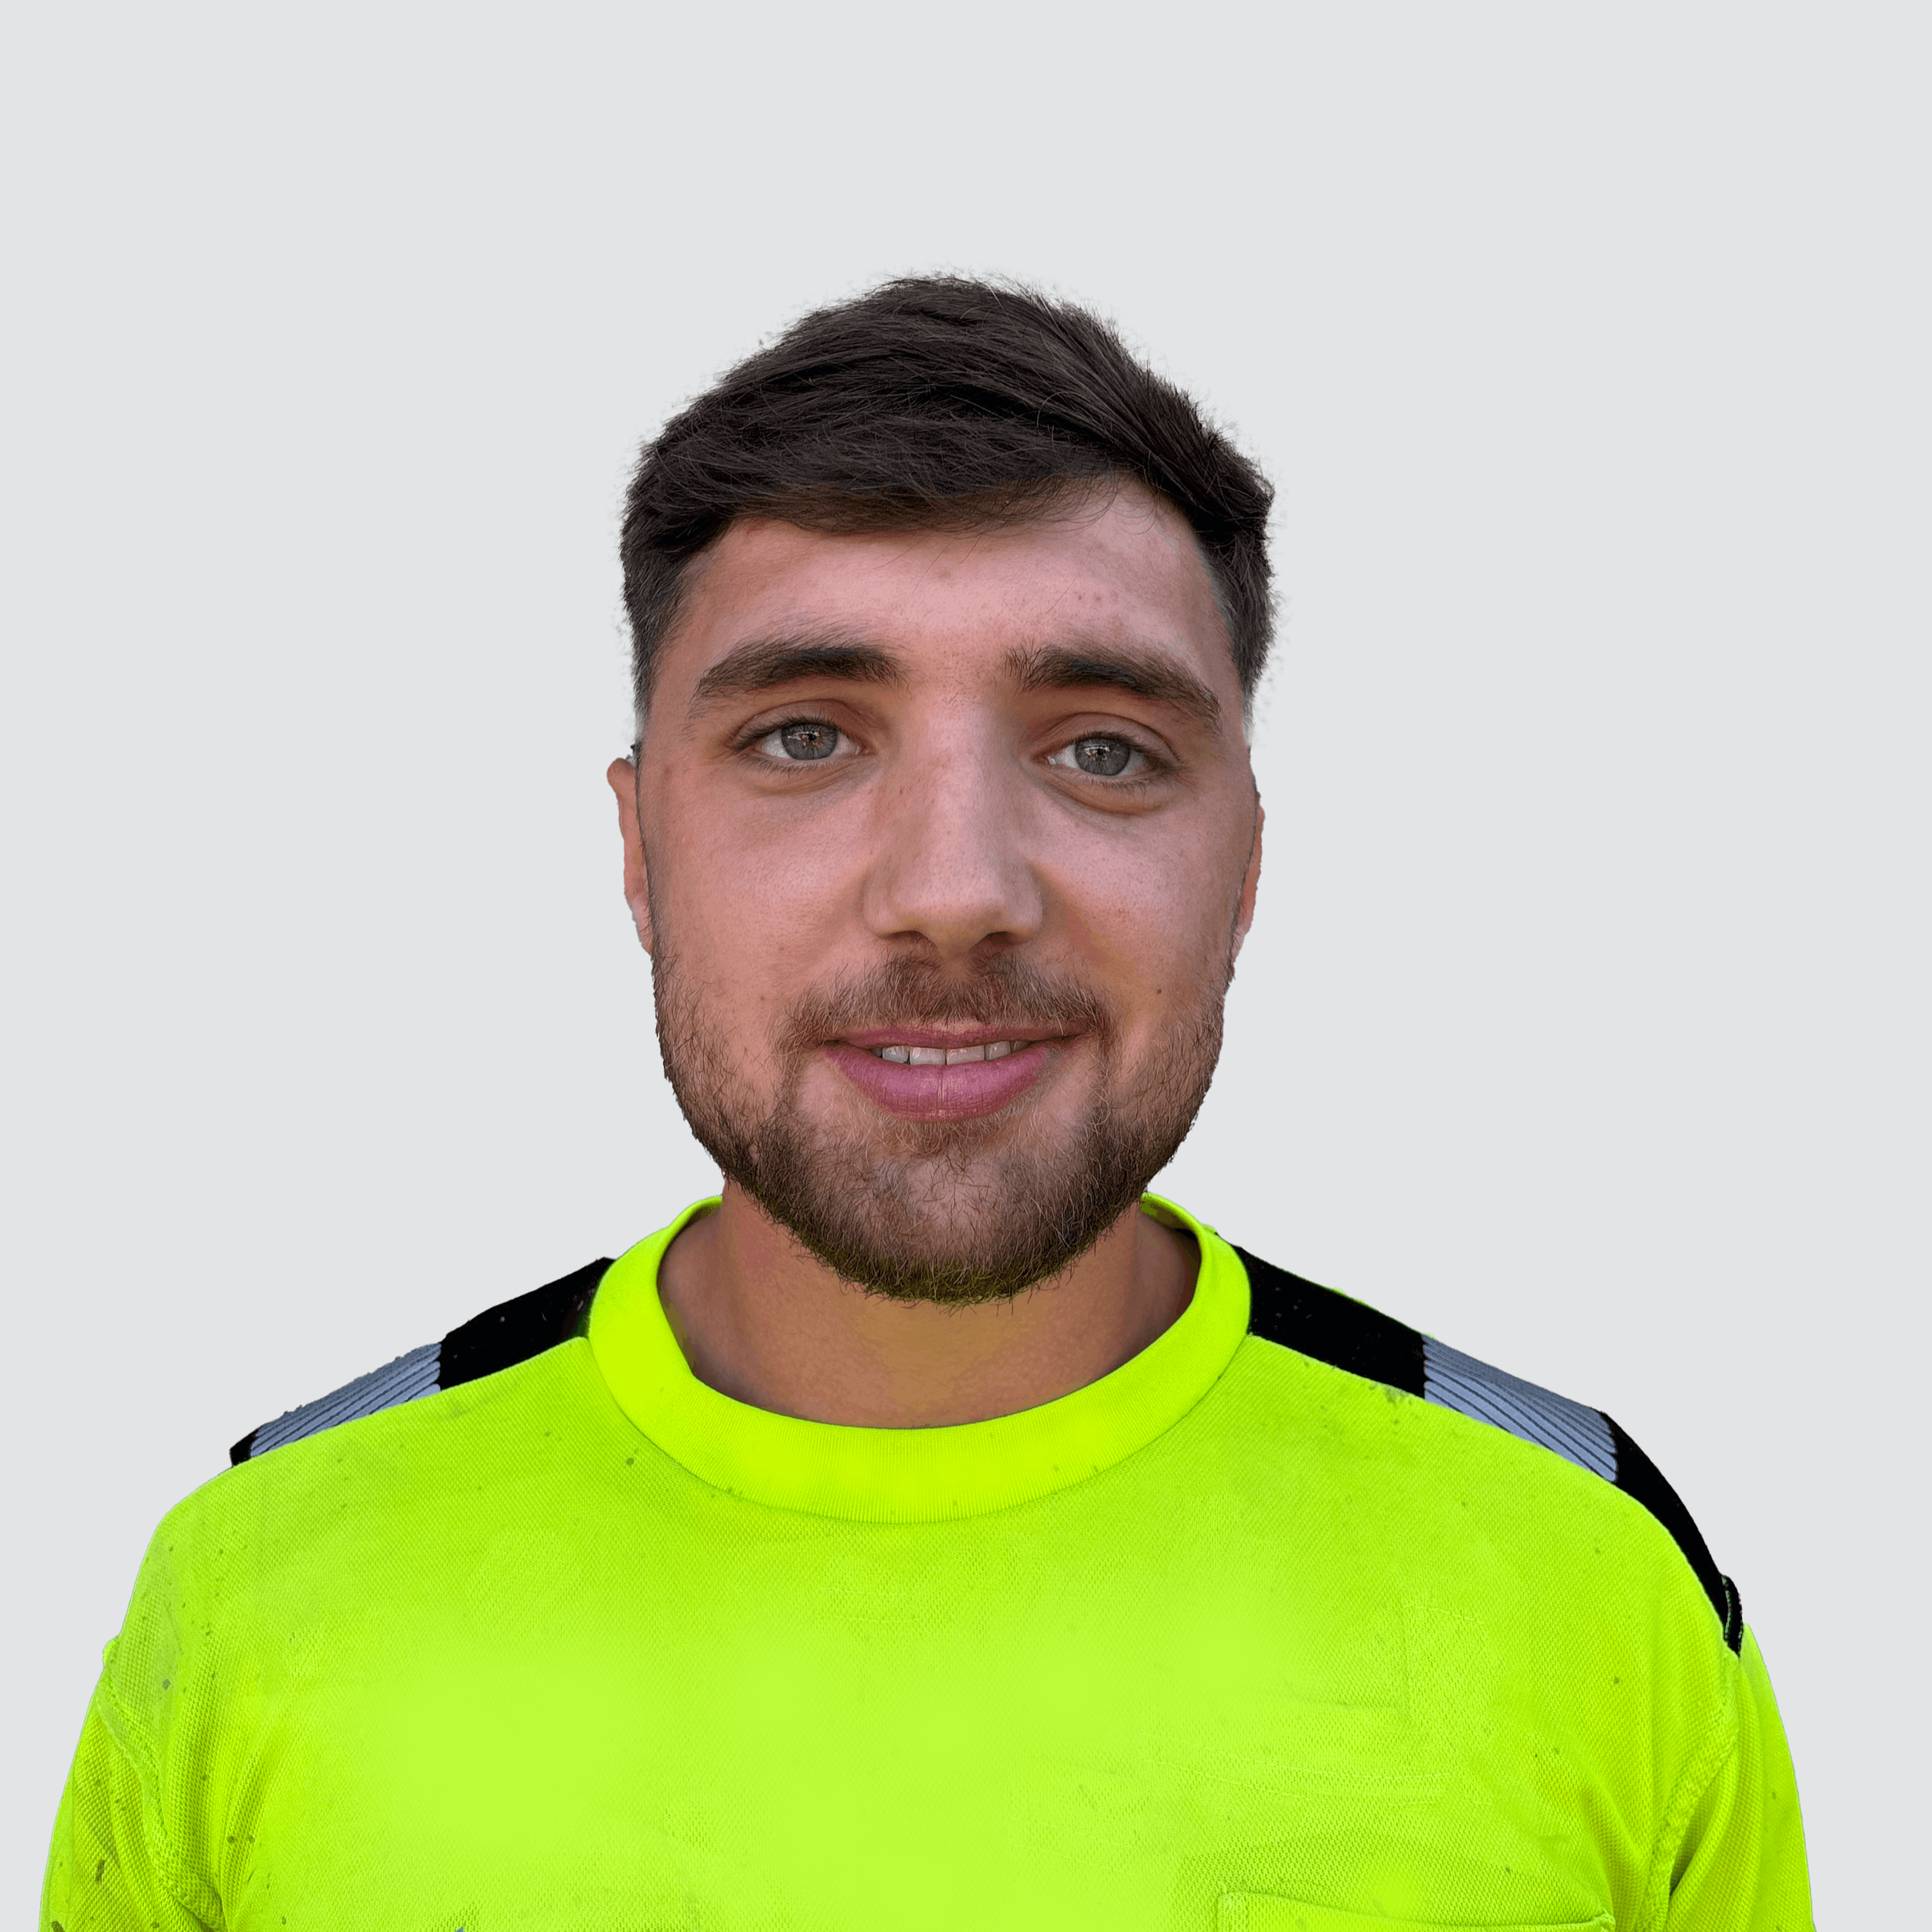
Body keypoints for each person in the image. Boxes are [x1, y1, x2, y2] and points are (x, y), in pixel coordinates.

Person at [43, 277, 1811, 1930]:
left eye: (1101, 746)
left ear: (1245, 865)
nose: (955, 886)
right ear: (640, 848)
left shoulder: (1589, 1566)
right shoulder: (263, 1572)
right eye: (805, 734)